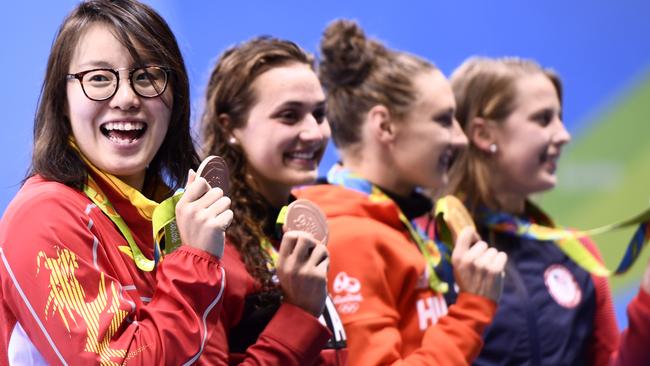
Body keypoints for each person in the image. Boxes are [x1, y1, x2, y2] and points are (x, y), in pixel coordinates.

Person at [0, 1, 233, 364]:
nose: (126, 98)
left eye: (148, 76)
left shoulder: (164, 219)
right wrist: (195, 264)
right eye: (99, 78)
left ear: (176, 98)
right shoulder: (44, 217)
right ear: (61, 101)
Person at [294, 19, 507, 365]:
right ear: (385, 126)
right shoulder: (349, 236)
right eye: (443, 120)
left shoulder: (406, 221)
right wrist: (472, 310)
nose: (460, 138)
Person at [448, 56, 650, 365]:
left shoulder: (574, 251)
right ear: (484, 134)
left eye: (560, 117)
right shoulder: (432, 246)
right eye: (543, 119)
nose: (563, 135)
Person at [198, 37, 347, 364]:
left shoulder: (292, 227)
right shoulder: (209, 245)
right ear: (231, 127)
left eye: (319, 114)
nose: (314, 133)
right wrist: (300, 312)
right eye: (289, 116)